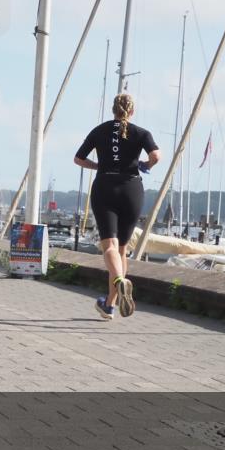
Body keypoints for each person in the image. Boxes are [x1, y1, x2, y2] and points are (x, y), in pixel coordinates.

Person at [73, 93, 160, 320]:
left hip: (105, 186)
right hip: (132, 189)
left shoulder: (99, 130)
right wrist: (144, 165)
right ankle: (109, 304)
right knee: (122, 250)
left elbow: (78, 159)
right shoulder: (142, 133)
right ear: (132, 111)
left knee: (109, 246)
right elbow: (156, 155)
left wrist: (99, 165)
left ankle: (120, 282)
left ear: (113, 110)